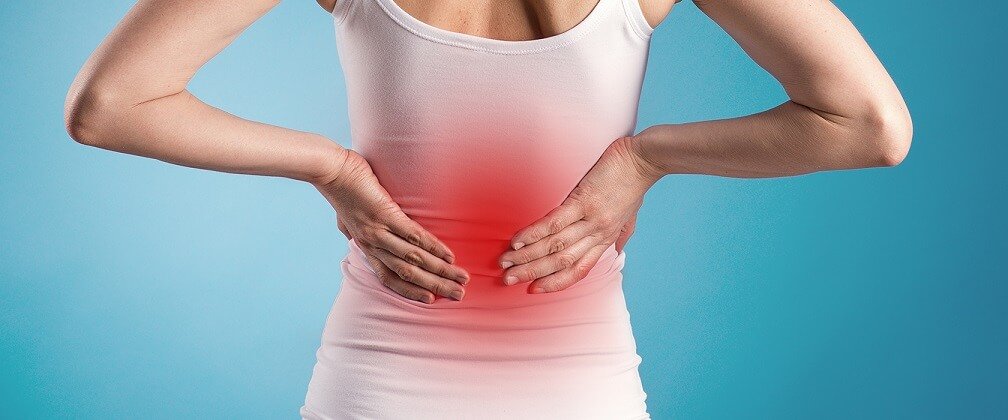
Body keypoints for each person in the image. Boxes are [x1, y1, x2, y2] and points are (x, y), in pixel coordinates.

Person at [64, 0, 912, 418]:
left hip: (378, 386)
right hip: (580, 391)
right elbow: (870, 124)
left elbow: (108, 105)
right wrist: (646, 157)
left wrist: (331, 167)